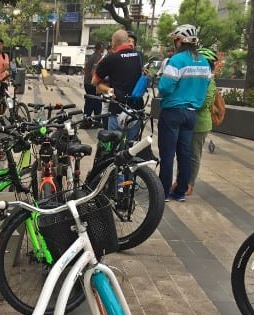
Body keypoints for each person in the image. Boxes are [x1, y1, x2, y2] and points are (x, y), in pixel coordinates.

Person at [157, 24, 211, 202]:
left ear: (179, 40)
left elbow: (165, 87)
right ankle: (180, 191)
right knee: (185, 153)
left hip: (172, 111)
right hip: (191, 113)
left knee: (167, 153)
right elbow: (205, 87)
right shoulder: (204, 62)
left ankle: (163, 192)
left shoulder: (177, 60)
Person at [173, 47, 217, 197]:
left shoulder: (210, 82)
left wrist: (187, 99)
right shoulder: (194, 79)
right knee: (183, 153)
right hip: (187, 120)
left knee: (193, 155)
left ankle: (189, 183)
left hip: (200, 124)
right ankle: (180, 181)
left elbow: (205, 103)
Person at [92, 29, 144, 142]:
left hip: (118, 109)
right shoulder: (139, 56)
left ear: (114, 43)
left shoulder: (110, 59)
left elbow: (94, 82)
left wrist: (107, 89)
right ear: (127, 41)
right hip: (136, 109)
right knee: (132, 148)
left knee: (114, 148)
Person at [83, 42, 105, 117]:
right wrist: (96, 84)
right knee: (94, 102)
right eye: (103, 48)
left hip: (87, 83)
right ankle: (93, 120)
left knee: (92, 102)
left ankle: (91, 119)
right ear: (101, 48)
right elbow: (93, 71)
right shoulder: (97, 57)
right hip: (92, 84)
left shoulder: (92, 56)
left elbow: (85, 69)